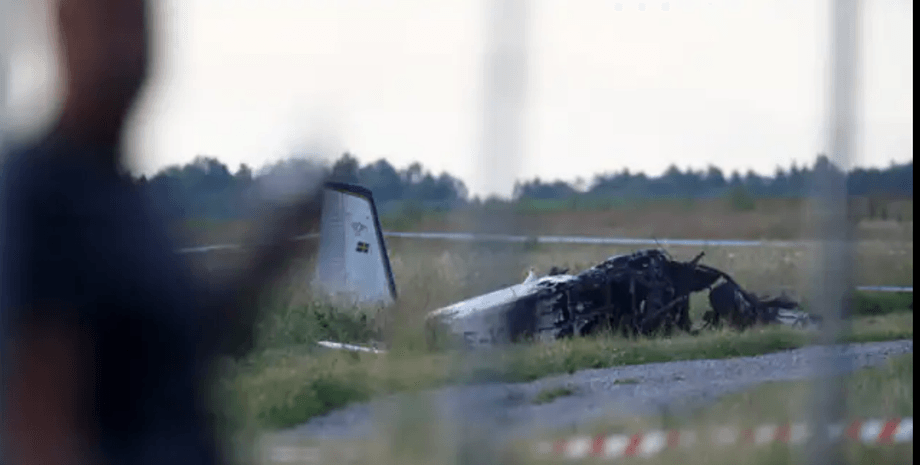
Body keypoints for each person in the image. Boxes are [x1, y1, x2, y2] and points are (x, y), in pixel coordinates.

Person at [0, 0, 326, 463]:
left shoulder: (126, 194)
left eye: (138, 23)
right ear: (62, 29)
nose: (129, 51)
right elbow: (41, 425)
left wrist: (273, 250)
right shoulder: (44, 192)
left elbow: (184, 342)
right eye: (108, 24)